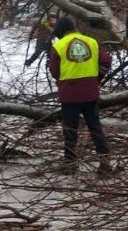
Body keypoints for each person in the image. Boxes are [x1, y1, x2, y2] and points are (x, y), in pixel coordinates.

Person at [48, 17, 113, 175]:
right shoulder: (91, 42)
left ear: (62, 32)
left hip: (69, 95)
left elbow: (54, 71)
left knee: (70, 130)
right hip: (90, 94)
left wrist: (63, 81)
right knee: (95, 128)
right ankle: (105, 163)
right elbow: (106, 61)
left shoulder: (59, 46)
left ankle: (70, 164)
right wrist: (96, 79)